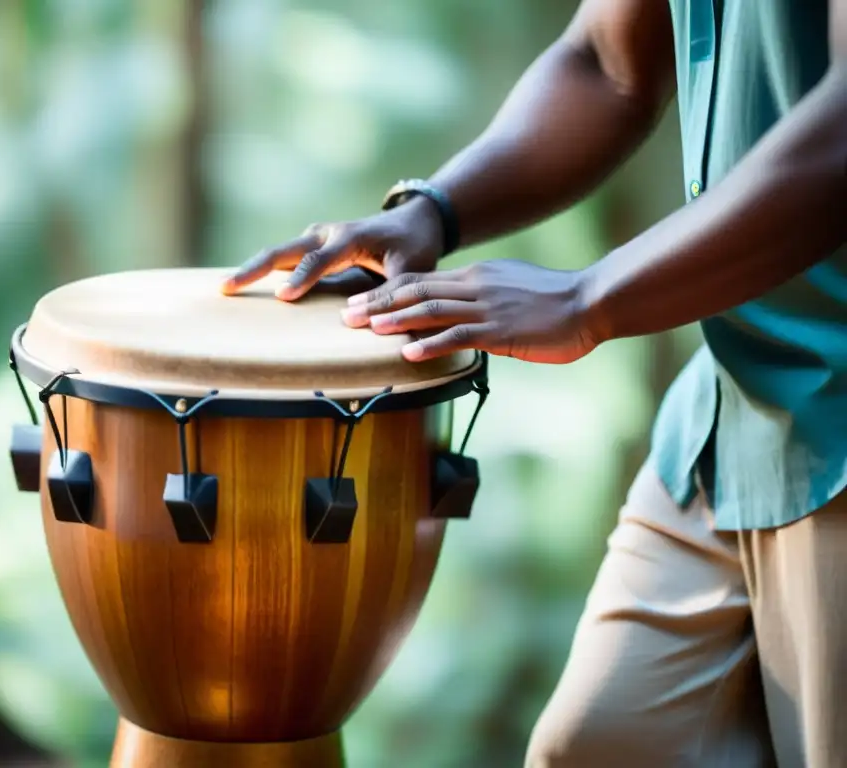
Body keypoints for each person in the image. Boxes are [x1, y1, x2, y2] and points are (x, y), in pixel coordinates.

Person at [221, 1, 847, 766]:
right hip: (729, 410)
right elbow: (607, 62)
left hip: (838, 432)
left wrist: (587, 300)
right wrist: (433, 212)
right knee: (596, 748)